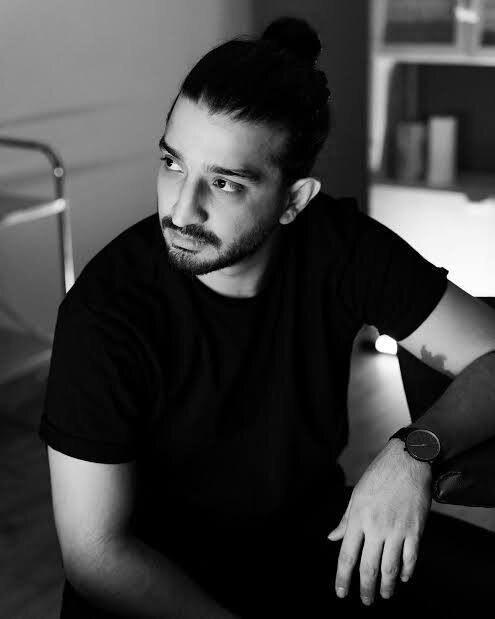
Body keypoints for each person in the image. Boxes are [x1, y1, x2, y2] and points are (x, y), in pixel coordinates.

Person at [38, 16, 495, 619]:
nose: (182, 209)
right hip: (159, 581)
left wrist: (415, 450)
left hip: (307, 542)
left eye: (225, 183)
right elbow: (98, 555)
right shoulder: (106, 312)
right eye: (173, 164)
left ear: (294, 200)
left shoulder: (338, 247)